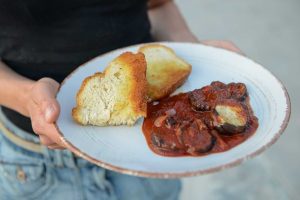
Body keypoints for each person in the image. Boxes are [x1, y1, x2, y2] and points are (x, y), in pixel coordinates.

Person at [0, 0, 241, 199]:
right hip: (40, 165)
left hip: (145, 147)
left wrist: (192, 51)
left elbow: (157, 6)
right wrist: (26, 97)